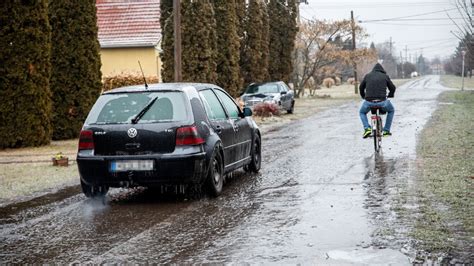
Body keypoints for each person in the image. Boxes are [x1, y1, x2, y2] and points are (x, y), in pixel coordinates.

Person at [359, 63, 396, 138]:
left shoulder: (367, 76)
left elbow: (361, 87)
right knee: (391, 110)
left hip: (369, 101)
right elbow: (393, 88)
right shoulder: (385, 76)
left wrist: (363, 96)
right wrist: (390, 95)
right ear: (382, 70)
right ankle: (386, 130)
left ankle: (367, 128)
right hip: (382, 101)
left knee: (362, 112)